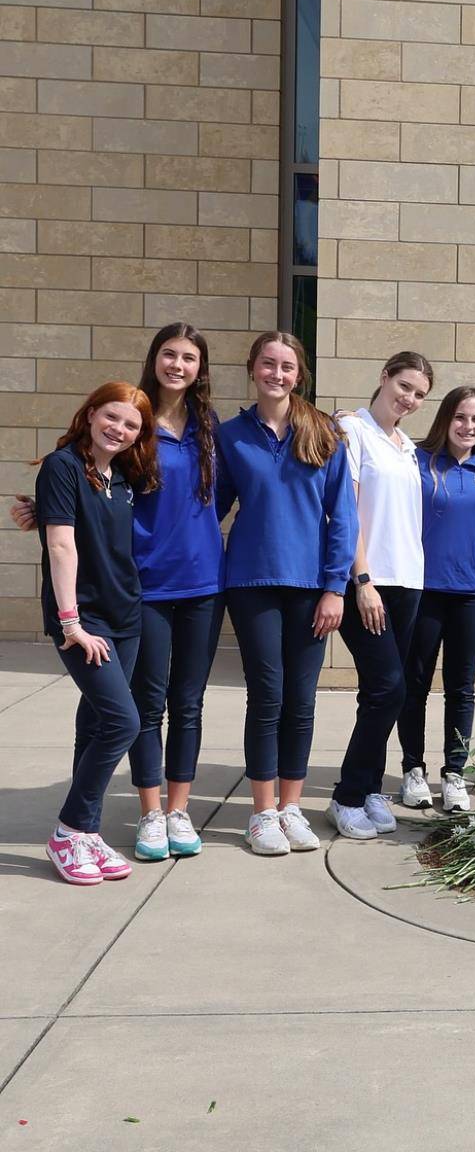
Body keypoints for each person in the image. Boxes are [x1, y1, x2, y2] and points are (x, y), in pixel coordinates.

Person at [12, 322, 226, 862]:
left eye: (189, 357)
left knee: (184, 703)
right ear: (154, 358)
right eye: (169, 354)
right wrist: (48, 513)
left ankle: (161, 814)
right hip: (141, 587)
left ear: (201, 369)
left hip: (195, 581)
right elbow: (81, 494)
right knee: (137, 710)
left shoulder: (208, 427)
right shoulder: (134, 424)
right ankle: (140, 816)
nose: (178, 364)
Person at [216, 332, 357, 856]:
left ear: (300, 374)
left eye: (288, 366)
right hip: (251, 583)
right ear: (252, 368)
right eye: (268, 364)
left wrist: (335, 588)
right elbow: (206, 508)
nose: (278, 373)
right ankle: (262, 813)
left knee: (301, 700)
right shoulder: (230, 436)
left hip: (311, 587)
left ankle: (292, 807)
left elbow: (343, 516)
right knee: (267, 696)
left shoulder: (323, 432)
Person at [34, 383, 160, 885]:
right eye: (112, 417)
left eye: (132, 425)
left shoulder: (122, 475)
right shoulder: (62, 466)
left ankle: (86, 832)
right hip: (85, 621)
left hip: (126, 616)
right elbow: (62, 546)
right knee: (121, 722)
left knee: (94, 724)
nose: (120, 429)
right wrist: (71, 624)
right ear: (89, 414)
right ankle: (68, 832)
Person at [330, 352, 432, 838]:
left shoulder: (406, 445)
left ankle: (369, 787)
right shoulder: (353, 431)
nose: (409, 399)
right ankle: (347, 796)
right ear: (384, 377)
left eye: (419, 394)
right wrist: (361, 579)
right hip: (368, 582)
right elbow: (345, 508)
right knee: (389, 687)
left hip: (409, 581)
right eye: (405, 386)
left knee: (382, 692)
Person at [397, 386, 475, 813]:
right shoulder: (417, 461)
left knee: (461, 689)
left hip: (474, 592)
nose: (468, 426)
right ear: (444, 419)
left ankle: (455, 774)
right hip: (425, 590)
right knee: (414, 685)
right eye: (460, 417)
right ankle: (412, 769)